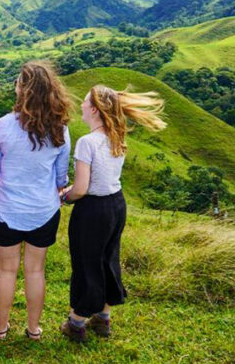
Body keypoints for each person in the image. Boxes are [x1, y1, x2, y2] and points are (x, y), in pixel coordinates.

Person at [60, 85, 166, 342]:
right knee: (108, 259)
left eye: (85, 102)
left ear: (94, 109)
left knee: (87, 264)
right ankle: (103, 319)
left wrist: (64, 196)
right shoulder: (116, 135)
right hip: (116, 205)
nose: (82, 106)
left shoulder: (87, 142)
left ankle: (76, 322)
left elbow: (83, 188)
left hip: (93, 210)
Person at [0, 61, 71, 341]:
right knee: (36, 270)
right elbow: (61, 179)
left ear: (21, 90)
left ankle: (1, 328)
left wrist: (8, 194)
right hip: (44, 210)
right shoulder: (60, 128)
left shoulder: (2, 126)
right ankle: (33, 329)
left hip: (7, 209)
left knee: (6, 269)